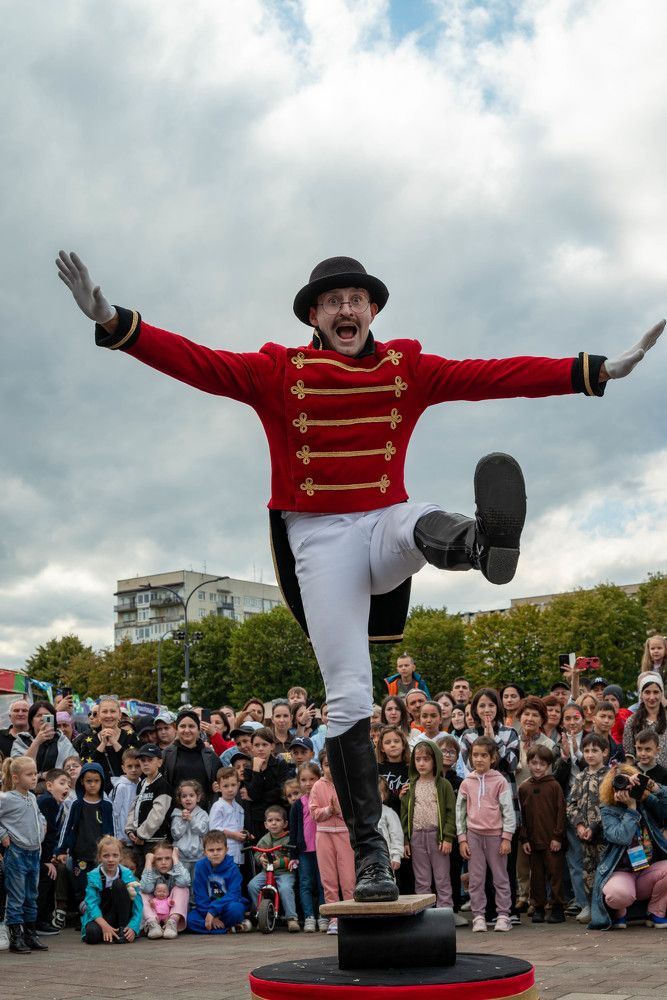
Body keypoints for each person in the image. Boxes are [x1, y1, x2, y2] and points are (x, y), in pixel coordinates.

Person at [58, 248, 663, 901]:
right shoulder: (278, 370)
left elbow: (489, 374)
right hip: (318, 539)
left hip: (381, 523)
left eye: (357, 298)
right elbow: (202, 365)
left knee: (418, 515)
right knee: (348, 699)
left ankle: (482, 545)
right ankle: (373, 856)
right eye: (332, 300)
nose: (346, 308)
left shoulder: (407, 366)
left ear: (372, 309)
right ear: (314, 315)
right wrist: (117, 323)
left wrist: (590, 370)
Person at [590, 764, 667, 929]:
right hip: (622, 872)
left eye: (628, 781)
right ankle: (620, 913)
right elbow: (621, 837)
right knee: (619, 895)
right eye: (619, 782)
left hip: (647, 870)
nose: (624, 786)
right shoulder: (608, 810)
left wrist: (652, 786)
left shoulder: (645, 801)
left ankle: (655, 912)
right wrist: (631, 809)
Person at [456, 736, 515, 933]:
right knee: (476, 878)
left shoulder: (500, 781)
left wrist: (507, 837)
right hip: (473, 836)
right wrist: (462, 838)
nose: (479, 759)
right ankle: (479, 916)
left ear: (493, 758)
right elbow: (460, 813)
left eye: (484, 755)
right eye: (475, 755)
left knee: (500, 877)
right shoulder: (467, 782)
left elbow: (508, 810)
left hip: (496, 836)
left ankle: (503, 915)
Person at [0, 756, 47, 953]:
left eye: (35, 773)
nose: (34, 778)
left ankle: (30, 932)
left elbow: (38, 817)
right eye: (29, 774)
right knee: (17, 895)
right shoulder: (7, 798)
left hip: (34, 853)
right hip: (17, 852)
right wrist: (2, 834)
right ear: (16, 778)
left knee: (31, 895)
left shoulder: (32, 798)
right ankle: (16, 934)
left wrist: (42, 826)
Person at [401, 740, 456, 909]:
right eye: (417, 759)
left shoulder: (443, 785)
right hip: (417, 837)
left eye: (426, 759)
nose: (421, 763)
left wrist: (447, 837)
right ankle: (424, 914)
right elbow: (404, 815)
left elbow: (450, 813)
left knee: (442, 878)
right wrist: (405, 840)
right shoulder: (410, 786)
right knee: (422, 879)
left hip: (437, 837)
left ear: (436, 761)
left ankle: (445, 912)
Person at [309, 748, 355, 935]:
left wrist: (340, 812)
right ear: (322, 767)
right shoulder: (317, 786)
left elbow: (354, 811)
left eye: (334, 764)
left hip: (345, 834)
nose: (331, 769)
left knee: (348, 878)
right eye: (327, 765)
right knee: (328, 879)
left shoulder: (348, 783)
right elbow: (314, 814)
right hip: (324, 835)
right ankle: (334, 919)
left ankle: (351, 917)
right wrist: (329, 810)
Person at [566, 732, 610, 925]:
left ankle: (607, 908)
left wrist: (593, 826)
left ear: (605, 752)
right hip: (584, 835)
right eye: (587, 751)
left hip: (604, 835)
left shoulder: (609, 775)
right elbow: (571, 804)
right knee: (588, 870)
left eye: (595, 750)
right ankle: (591, 907)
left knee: (605, 870)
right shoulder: (581, 776)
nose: (590, 754)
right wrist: (580, 824)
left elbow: (609, 805)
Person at [519, 745, 566, 924]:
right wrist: (524, 838)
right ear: (528, 763)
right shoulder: (524, 788)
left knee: (555, 875)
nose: (537, 767)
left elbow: (561, 812)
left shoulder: (554, 786)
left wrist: (557, 837)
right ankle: (538, 907)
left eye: (542, 764)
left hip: (552, 841)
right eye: (534, 763)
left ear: (548, 765)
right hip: (532, 840)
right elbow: (521, 817)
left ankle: (557, 908)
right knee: (536, 876)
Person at [56, 762, 114, 909]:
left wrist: (113, 850)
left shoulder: (107, 805)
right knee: (82, 887)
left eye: (96, 781)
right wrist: (62, 850)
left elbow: (112, 831)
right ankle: (85, 916)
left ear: (102, 782)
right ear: (82, 781)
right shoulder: (77, 804)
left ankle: (99, 917)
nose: (93, 784)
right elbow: (66, 828)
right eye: (89, 781)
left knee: (101, 885)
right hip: (80, 855)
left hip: (100, 857)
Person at [80, 835, 143, 944]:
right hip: (103, 917)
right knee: (91, 934)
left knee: (118, 884)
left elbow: (138, 904)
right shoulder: (94, 875)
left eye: (115, 855)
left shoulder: (127, 874)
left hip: (122, 916)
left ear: (120, 857)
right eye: (106, 856)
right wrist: (105, 926)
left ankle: (123, 930)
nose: (110, 860)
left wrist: (133, 927)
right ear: (99, 857)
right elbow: (91, 904)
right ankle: (111, 932)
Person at [247, 805, 300, 932]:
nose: (274, 823)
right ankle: (262, 916)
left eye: (277, 820)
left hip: (284, 873)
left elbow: (293, 857)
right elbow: (257, 853)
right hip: (267, 872)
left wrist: (280, 862)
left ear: (285, 823)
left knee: (285, 888)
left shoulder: (289, 838)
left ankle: (291, 918)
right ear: (265, 824)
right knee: (252, 885)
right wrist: (260, 859)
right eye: (270, 821)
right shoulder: (264, 840)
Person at [187, 830, 249, 934]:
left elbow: (234, 894)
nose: (215, 853)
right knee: (189, 920)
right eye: (211, 850)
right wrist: (210, 914)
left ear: (226, 850)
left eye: (219, 849)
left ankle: (217, 927)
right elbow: (200, 894)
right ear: (204, 852)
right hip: (207, 909)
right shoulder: (200, 866)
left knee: (236, 910)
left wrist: (213, 911)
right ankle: (230, 929)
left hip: (226, 907)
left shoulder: (233, 868)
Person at [289, 762, 325, 933]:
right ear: (299, 782)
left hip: (323, 849)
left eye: (312, 779)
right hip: (304, 851)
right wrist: (293, 854)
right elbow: (294, 831)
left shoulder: (323, 800)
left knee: (323, 884)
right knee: (305, 884)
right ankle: (309, 917)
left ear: (319, 779)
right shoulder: (297, 805)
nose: (308, 783)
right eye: (303, 780)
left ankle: (323, 916)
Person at [76, 697, 139, 793]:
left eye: (113, 711)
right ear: (98, 716)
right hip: (98, 794)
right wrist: (102, 745)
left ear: (119, 715)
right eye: (104, 712)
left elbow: (135, 763)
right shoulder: (88, 741)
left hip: (128, 792)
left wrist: (114, 743)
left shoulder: (130, 736)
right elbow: (86, 768)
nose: (109, 715)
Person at [35, 767, 71, 935]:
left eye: (68, 784)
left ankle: (43, 918)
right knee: (45, 880)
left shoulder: (58, 804)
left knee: (49, 880)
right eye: (62, 783)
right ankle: (37, 921)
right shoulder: (47, 802)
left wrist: (55, 855)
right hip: (38, 854)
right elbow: (45, 834)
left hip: (45, 854)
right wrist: (47, 860)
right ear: (49, 786)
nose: (66, 787)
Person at [161, 710, 219, 809]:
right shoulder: (166, 754)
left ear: (198, 729)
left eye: (191, 726)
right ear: (177, 729)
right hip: (175, 815)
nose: (187, 730)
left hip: (204, 815)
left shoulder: (210, 756)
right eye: (182, 726)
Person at [243, 727, 291, 844]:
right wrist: (256, 771)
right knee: (260, 853)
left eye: (264, 744)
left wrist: (259, 797)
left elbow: (281, 792)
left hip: (278, 816)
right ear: (252, 747)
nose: (260, 748)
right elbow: (254, 794)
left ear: (272, 746)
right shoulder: (249, 768)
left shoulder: (280, 764)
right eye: (257, 745)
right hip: (257, 819)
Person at [125, 744, 173, 857]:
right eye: (142, 760)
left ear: (159, 762)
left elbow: (158, 815)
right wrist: (130, 829)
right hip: (138, 840)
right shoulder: (141, 784)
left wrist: (141, 835)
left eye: (150, 760)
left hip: (155, 842)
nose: (145, 763)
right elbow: (134, 808)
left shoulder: (162, 785)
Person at [11, 701, 77, 780]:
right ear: (31, 722)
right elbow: (18, 769)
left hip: (57, 787)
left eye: (47, 715)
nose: (42, 718)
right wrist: (37, 741)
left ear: (53, 719)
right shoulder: (22, 740)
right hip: (28, 788)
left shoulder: (61, 739)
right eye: (38, 715)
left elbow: (74, 765)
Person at [140, 842, 191, 939]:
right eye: (159, 859)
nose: (163, 862)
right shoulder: (152, 871)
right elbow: (146, 888)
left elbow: (184, 881)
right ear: (154, 861)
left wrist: (176, 859)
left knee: (182, 888)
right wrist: (148, 863)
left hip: (172, 910)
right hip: (155, 910)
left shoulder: (177, 870)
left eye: (168, 858)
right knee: (142, 892)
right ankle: (153, 925)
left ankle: (172, 924)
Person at [623, 673, 667, 766]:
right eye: (647, 692)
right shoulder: (631, 721)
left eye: (656, 692)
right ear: (641, 695)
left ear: (661, 693)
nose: (652, 697)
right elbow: (629, 757)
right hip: (640, 776)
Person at [170, 779, 209, 879]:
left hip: (199, 857)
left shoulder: (203, 814)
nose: (188, 799)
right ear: (179, 799)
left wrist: (191, 820)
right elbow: (175, 834)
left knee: (197, 884)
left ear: (198, 798)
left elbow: (204, 831)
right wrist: (183, 821)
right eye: (184, 796)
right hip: (181, 858)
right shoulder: (177, 814)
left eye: (191, 795)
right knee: (181, 883)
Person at [208, 766, 247, 866]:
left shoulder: (239, 807)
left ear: (238, 785)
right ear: (219, 787)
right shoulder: (218, 806)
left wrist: (245, 835)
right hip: (223, 854)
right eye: (225, 786)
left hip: (238, 853)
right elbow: (214, 829)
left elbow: (239, 828)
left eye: (233, 785)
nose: (230, 789)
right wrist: (234, 835)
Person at [110, 748, 141, 850]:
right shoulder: (120, 787)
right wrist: (117, 837)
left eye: (137, 766)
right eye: (129, 766)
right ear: (123, 768)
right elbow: (114, 813)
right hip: (123, 839)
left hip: (138, 837)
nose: (133, 769)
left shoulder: (144, 784)